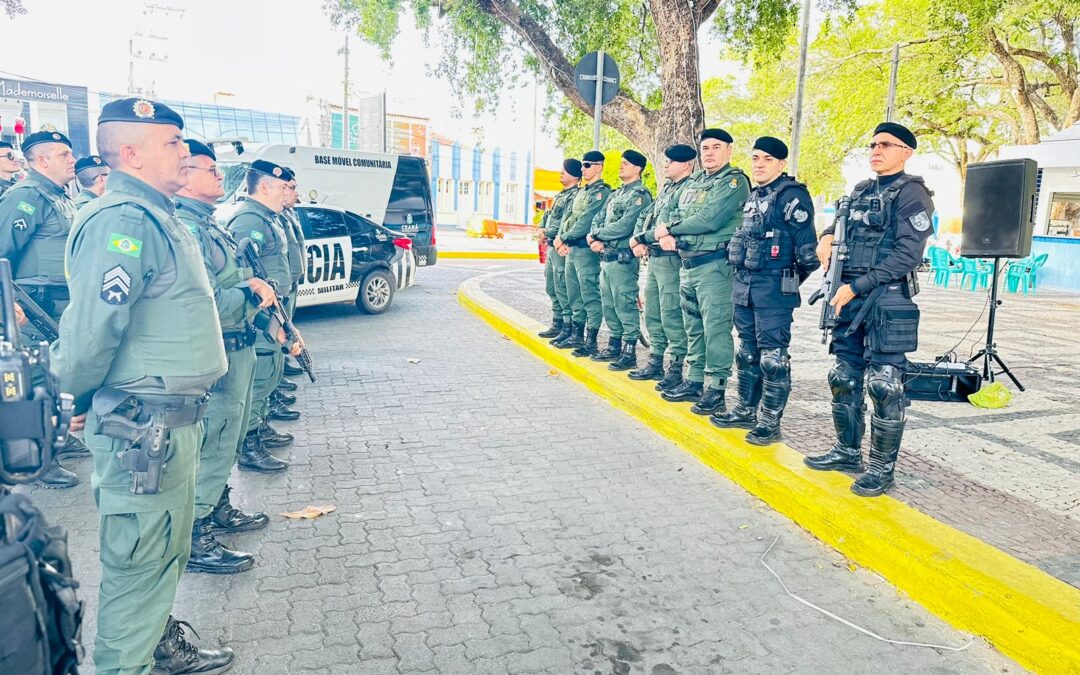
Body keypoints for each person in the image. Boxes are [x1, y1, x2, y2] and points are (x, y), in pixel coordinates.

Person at [51, 97, 235, 674]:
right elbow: (90, 333)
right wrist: (74, 398)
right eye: (173, 143)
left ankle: (157, 648)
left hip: (170, 424)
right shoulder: (124, 221)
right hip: (143, 430)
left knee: (162, 556)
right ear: (130, 153)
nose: (184, 153)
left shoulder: (158, 214)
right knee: (139, 566)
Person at [175, 139, 289, 574]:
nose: (220, 175)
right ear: (186, 177)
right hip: (217, 349)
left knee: (228, 439)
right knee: (215, 440)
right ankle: (196, 535)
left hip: (238, 344)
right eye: (210, 170)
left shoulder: (209, 224)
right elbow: (206, 302)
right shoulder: (188, 229)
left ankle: (216, 506)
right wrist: (252, 292)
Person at [803, 122, 935, 497]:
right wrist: (826, 236)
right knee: (843, 377)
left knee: (884, 385)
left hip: (886, 299)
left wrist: (857, 286)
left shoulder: (913, 194)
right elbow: (839, 222)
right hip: (847, 296)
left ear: (906, 152)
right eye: (873, 144)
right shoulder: (861, 190)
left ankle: (881, 469)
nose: (876, 150)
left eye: (886, 145)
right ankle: (847, 452)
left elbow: (908, 255)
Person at [711, 137, 819, 444]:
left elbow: (808, 255)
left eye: (767, 159)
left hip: (773, 289)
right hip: (744, 285)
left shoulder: (792, 196)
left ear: (781, 164)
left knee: (773, 358)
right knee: (747, 353)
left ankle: (770, 423)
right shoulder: (754, 195)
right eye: (756, 158)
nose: (759, 164)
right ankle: (745, 410)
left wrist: (786, 282)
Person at [0, 130, 80, 488]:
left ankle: (57, 439)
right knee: (36, 381)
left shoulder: (59, 196)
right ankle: (38, 460)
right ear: (42, 160)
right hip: (33, 306)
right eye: (64, 154)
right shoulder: (26, 196)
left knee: (57, 375)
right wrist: (6, 305)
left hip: (59, 304)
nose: (72, 160)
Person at [655, 128, 750, 415]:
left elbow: (710, 219)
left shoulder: (734, 182)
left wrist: (671, 230)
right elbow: (671, 210)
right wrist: (665, 230)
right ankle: (694, 380)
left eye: (716, 147)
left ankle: (716, 389)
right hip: (688, 265)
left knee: (715, 328)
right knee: (693, 327)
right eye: (705, 148)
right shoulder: (694, 181)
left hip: (715, 266)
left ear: (729, 150)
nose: (709, 153)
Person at [227, 159, 299, 471]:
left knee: (271, 370)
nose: (288, 191)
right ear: (265, 186)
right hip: (260, 312)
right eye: (284, 186)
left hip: (274, 306)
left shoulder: (268, 217)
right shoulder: (249, 220)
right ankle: (249, 445)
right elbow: (241, 271)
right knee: (260, 375)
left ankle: (260, 425)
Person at [628, 144, 696, 388]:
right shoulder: (667, 188)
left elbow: (674, 222)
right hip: (655, 258)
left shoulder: (690, 189)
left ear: (686, 164)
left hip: (671, 260)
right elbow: (647, 217)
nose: (666, 165)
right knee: (653, 312)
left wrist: (642, 238)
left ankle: (675, 368)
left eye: (671, 161)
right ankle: (656, 360)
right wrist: (639, 238)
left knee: (671, 313)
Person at [588, 149, 652, 371]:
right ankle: (614, 345)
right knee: (609, 304)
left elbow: (625, 226)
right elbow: (597, 218)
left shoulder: (640, 195)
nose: (620, 166)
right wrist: (595, 236)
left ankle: (629, 351)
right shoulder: (616, 194)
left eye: (625, 163)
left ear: (637, 168)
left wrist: (598, 235)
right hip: (607, 258)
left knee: (624, 304)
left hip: (623, 260)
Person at [552, 150, 611, 355]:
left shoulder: (601, 192)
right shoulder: (581, 192)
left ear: (599, 167)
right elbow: (567, 217)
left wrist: (564, 237)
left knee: (589, 295)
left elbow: (586, 220)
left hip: (586, 251)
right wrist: (560, 239)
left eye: (587, 165)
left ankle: (590, 340)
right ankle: (576, 335)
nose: (583, 169)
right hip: (572, 248)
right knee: (574, 295)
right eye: (582, 165)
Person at [538, 159, 581, 341]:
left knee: (563, 286)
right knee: (551, 286)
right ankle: (557, 323)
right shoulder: (560, 195)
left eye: (566, 170)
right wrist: (541, 228)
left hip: (561, 245)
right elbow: (548, 215)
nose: (561, 173)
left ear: (576, 176)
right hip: (551, 245)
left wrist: (547, 232)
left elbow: (565, 221)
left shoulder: (575, 196)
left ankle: (567, 325)